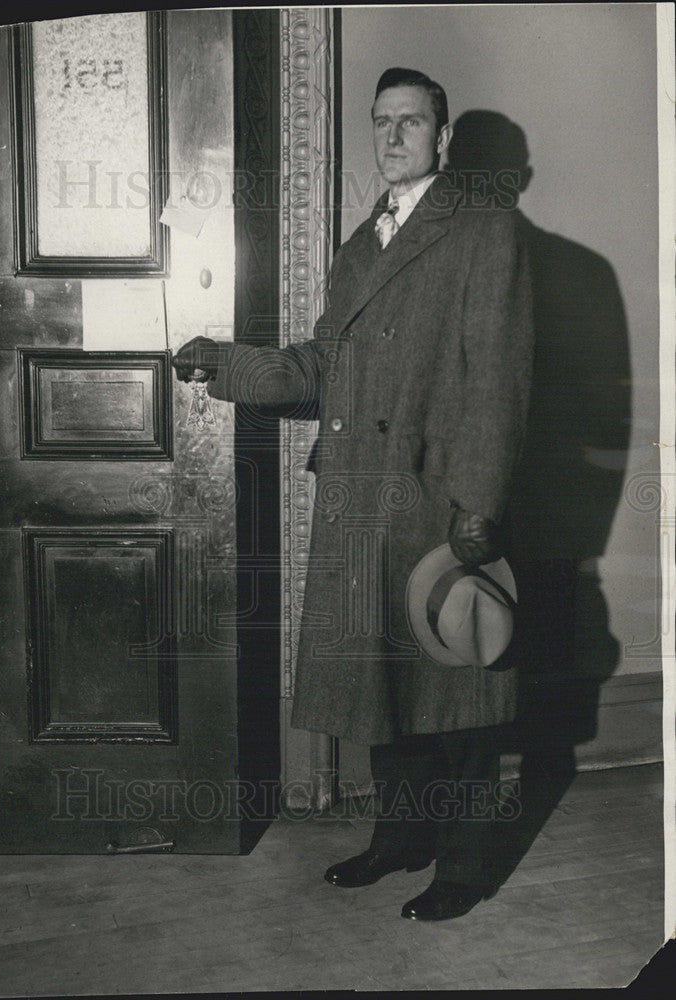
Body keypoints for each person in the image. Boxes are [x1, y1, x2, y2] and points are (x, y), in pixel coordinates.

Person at [173, 67, 534, 921]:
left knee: (458, 691)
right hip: (360, 498)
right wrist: (225, 362)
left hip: (439, 497)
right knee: (380, 685)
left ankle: (466, 866)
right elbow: (321, 370)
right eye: (383, 122)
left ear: (443, 139)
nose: (395, 136)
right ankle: (401, 839)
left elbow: (500, 381)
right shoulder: (359, 246)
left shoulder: (486, 230)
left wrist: (479, 503)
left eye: (413, 122)